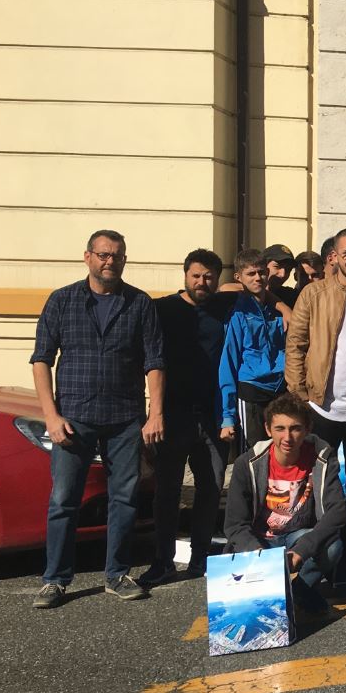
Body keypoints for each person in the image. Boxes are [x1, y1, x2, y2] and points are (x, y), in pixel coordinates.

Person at [30, 229, 164, 608]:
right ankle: (55, 580)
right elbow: (41, 359)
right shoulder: (62, 301)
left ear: (124, 259)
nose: (110, 261)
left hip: (125, 418)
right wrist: (51, 415)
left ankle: (117, 575)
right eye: (104, 254)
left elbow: (155, 361)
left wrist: (155, 413)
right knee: (63, 500)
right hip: (74, 418)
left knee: (124, 499)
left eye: (117, 255)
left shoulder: (139, 303)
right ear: (88, 257)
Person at [144, 248, 238, 586]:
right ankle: (162, 561)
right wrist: (153, 413)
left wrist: (282, 307)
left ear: (218, 279)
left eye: (209, 277)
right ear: (185, 275)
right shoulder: (162, 309)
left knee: (210, 489)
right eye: (196, 276)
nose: (202, 282)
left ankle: (200, 558)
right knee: (167, 491)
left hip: (213, 416)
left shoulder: (224, 307)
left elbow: (252, 290)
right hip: (172, 415)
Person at [285, 228, 346, 523]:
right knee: (314, 482)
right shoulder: (313, 294)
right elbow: (296, 344)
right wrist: (300, 394)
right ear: (334, 256)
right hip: (321, 407)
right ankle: (315, 543)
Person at [223, 393, 346, 616]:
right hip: (260, 541)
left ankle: (296, 591)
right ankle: (288, 595)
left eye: (295, 428)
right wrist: (259, 553)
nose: (287, 437)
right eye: (280, 428)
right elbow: (234, 524)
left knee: (333, 546)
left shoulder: (322, 458)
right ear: (268, 429)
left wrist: (302, 550)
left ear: (307, 429)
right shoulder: (247, 463)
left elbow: (337, 512)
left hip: (297, 537)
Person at [218, 248, 288, 453]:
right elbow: (228, 362)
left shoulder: (278, 309)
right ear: (238, 277)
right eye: (251, 273)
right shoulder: (237, 313)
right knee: (254, 454)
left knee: (280, 452)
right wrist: (228, 416)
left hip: (280, 389)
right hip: (251, 390)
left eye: (261, 272)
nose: (258, 278)